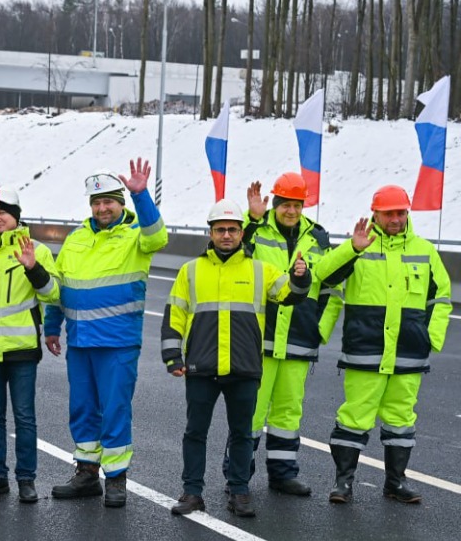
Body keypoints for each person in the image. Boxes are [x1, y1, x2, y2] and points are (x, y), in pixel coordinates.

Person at [161, 199, 310, 518]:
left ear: (242, 233)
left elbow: (291, 295)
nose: (226, 235)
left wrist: (300, 277)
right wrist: (172, 355)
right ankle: (192, 492)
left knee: (242, 433)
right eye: (220, 230)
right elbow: (175, 313)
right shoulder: (191, 271)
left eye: (232, 229)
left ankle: (239, 491)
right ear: (211, 233)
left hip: (244, 367)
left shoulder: (261, 269)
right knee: (195, 432)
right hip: (201, 367)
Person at [312, 185, 451, 504]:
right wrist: (352, 248)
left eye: (401, 212)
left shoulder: (425, 250)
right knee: (354, 417)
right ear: (375, 214)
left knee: (401, 419)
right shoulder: (359, 246)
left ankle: (395, 483)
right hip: (366, 350)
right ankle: (343, 483)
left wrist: (431, 338)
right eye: (389, 213)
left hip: (408, 353)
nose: (395, 219)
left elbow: (441, 297)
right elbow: (323, 275)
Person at [45, 160, 167, 508]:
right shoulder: (76, 239)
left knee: (114, 410)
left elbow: (158, 236)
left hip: (117, 342)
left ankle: (116, 478)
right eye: (97, 202)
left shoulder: (136, 235)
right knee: (83, 409)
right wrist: (52, 327)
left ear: (120, 203)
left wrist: (142, 195)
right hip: (80, 340)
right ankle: (86, 473)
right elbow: (60, 285)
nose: (102, 208)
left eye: (109, 201)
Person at [226, 173, 340, 496]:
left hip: (300, 339)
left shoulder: (318, 238)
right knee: (251, 410)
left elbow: (332, 289)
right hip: (258, 338)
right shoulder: (256, 230)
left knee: (288, 412)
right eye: (285, 204)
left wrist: (320, 330)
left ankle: (283, 474)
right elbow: (232, 255)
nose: (291, 211)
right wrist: (251, 219)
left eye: (296, 205)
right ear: (275, 204)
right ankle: (238, 475)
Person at [0, 187, 59, 503]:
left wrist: (33, 268)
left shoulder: (37, 250)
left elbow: (53, 294)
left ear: (16, 216)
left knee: (24, 416)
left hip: (21, 348)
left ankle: (26, 479)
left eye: (3, 212)